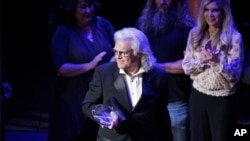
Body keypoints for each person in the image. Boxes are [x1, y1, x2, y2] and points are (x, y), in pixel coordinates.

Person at [81, 27, 173, 141]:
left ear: (139, 53)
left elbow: (161, 116)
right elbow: (88, 105)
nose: (117, 56)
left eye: (123, 53)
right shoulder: (104, 73)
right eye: (115, 51)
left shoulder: (159, 76)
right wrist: (103, 117)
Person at [49, 0, 115, 140]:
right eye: (83, 7)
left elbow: (117, 50)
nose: (88, 10)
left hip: (101, 95)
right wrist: (90, 65)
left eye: (90, 5)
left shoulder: (103, 24)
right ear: (73, 9)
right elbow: (61, 68)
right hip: (73, 98)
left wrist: (112, 63)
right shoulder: (64, 31)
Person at [182, 0, 244, 141]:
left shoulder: (234, 38)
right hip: (198, 96)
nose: (210, 14)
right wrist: (202, 60)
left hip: (222, 100)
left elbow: (235, 76)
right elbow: (186, 68)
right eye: (206, 10)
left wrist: (216, 61)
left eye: (215, 10)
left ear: (224, 12)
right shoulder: (195, 34)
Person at [136, 0, 195, 141]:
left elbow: (189, 64)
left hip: (175, 99)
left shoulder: (185, 26)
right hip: (146, 97)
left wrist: (155, 67)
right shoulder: (142, 25)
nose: (162, 1)